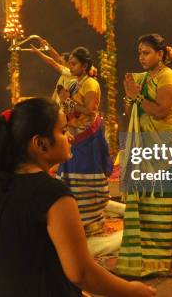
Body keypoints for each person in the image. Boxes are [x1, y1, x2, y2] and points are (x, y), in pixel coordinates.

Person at [0, 98, 155, 297]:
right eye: (63, 131)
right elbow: (81, 273)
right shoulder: (53, 194)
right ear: (40, 144)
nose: (71, 138)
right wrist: (132, 290)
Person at [117, 34, 172, 277]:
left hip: (166, 149)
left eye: (146, 52)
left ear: (160, 53)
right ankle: (145, 257)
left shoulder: (169, 77)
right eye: (139, 53)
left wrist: (136, 95)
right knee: (144, 203)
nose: (141, 57)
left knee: (163, 204)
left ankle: (163, 257)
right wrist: (129, 95)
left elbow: (160, 110)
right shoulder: (142, 78)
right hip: (143, 148)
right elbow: (128, 110)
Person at [57, 47, 112, 236]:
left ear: (85, 65)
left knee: (86, 176)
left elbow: (90, 110)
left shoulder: (90, 84)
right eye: (69, 63)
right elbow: (69, 107)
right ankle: (76, 219)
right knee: (71, 178)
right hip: (73, 137)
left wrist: (68, 101)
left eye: (74, 64)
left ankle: (92, 221)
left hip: (87, 139)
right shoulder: (74, 84)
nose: (70, 67)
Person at [29, 39, 75, 104]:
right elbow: (56, 57)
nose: (59, 62)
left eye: (61, 61)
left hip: (65, 107)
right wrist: (47, 46)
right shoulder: (66, 71)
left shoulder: (70, 73)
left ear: (68, 63)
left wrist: (38, 53)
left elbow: (53, 62)